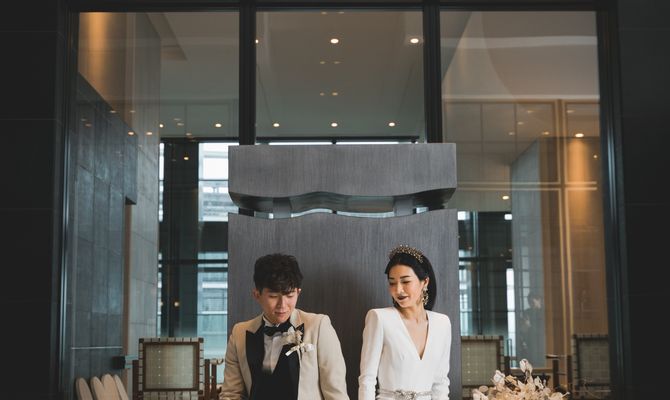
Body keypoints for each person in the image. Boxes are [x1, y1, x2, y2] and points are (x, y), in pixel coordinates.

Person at [220, 253, 349, 400]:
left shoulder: (318, 327)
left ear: (298, 292)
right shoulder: (239, 334)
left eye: (289, 295)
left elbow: (336, 393)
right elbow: (231, 394)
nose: (282, 305)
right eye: (273, 296)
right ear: (257, 295)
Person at [358, 245, 452, 400]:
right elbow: (367, 379)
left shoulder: (442, 323)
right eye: (392, 283)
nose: (398, 290)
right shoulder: (380, 318)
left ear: (425, 282)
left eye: (405, 281)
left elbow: (441, 384)